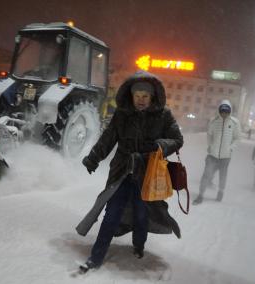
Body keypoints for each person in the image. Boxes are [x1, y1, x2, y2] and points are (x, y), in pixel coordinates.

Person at [76, 71, 184, 272]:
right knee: (111, 213)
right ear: (131, 96)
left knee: (142, 214)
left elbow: (178, 139)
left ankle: (138, 244)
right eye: (137, 96)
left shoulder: (164, 115)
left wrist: (161, 145)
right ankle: (95, 257)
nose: (141, 100)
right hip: (121, 172)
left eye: (145, 96)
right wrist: (93, 158)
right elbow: (107, 139)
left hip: (147, 174)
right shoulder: (122, 114)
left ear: (152, 97)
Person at [193, 100, 241, 205]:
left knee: (222, 176)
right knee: (206, 175)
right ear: (219, 110)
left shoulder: (234, 122)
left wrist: (231, 148)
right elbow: (209, 134)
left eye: (226, 111)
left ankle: (221, 191)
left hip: (226, 156)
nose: (224, 113)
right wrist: (210, 146)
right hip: (212, 155)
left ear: (230, 111)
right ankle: (200, 195)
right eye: (222, 111)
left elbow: (237, 138)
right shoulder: (213, 121)